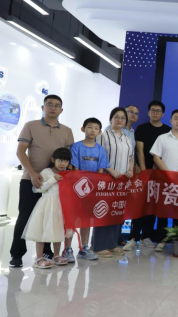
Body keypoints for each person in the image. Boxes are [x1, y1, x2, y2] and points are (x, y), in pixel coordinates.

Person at [10, 95, 74, 268]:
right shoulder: (30, 125)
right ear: (42, 107)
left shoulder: (67, 131)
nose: (53, 108)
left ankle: (47, 253)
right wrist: (32, 173)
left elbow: (68, 157)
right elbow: (20, 151)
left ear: (61, 110)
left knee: (52, 218)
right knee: (24, 217)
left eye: (57, 105)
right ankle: (16, 255)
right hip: (32, 180)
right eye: (49, 104)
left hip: (57, 184)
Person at [147, 109, 178, 252]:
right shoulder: (162, 138)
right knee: (163, 211)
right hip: (165, 180)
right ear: (170, 120)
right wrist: (167, 173)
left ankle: (177, 240)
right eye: (176, 118)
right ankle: (161, 240)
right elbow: (156, 157)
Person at [93, 107, 134, 258]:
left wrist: (130, 170)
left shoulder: (127, 138)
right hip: (107, 179)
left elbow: (130, 157)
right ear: (111, 119)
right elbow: (98, 156)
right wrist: (111, 170)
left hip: (122, 181)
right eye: (116, 117)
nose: (119, 120)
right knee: (103, 211)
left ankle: (112, 244)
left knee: (117, 212)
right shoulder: (103, 136)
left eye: (122, 118)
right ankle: (98, 246)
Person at [22, 148, 72, 268]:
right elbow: (38, 189)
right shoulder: (46, 172)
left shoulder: (67, 173)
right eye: (60, 160)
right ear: (53, 160)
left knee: (59, 230)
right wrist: (53, 180)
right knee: (41, 230)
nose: (63, 163)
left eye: (66, 161)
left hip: (61, 206)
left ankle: (56, 255)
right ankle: (39, 257)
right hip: (47, 205)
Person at [67, 117, 109, 262]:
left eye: (96, 128)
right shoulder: (76, 147)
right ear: (83, 129)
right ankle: (67, 249)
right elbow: (74, 168)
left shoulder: (100, 149)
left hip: (92, 191)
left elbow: (101, 170)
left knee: (87, 219)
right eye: (90, 127)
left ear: (100, 132)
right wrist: (80, 186)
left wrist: (95, 188)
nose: (92, 130)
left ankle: (84, 248)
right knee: (72, 219)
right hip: (77, 189)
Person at [131, 100, 171, 249]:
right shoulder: (141, 128)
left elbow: (167, 152)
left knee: (155, 204)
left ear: (163, 114)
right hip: (143, 172)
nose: (155, 113)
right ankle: (134, 237)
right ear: (148, 112)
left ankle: (147, 236)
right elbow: (140, 151)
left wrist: (159, 168)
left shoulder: (167, 130)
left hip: (160, 173)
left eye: (158, 111)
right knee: (140, 204)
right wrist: (144, 171)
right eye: (153, 110)